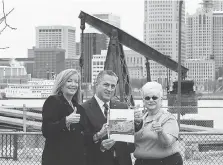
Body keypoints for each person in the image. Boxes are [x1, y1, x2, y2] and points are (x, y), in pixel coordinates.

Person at [81, 70, 134, 165]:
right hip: (97, 161)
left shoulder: (123, 107)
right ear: (96, 84)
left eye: (113, 86)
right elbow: (81, 141)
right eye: (106, 85)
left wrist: (137, 123)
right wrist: (99, 142)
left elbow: (129, 142)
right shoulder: (83, 109)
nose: (109, 89)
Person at [41, 69, 92, 165]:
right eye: (69, 81)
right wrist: (66, 121)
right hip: (57, 160)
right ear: (61, 83)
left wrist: (98, 135)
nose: (73, 84)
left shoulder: (79, 108)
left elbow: (83, 136)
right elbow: (46, 130)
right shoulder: (53, 101)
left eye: (76, 82)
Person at [134, 81, 183, 165]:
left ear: (161, 100)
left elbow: (167, 142)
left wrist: (161, 132)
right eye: (147, 98)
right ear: (143, 101)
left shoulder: (168, 118)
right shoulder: (140, 119)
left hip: (165, 162)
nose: (151, 100)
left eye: (154, 97)